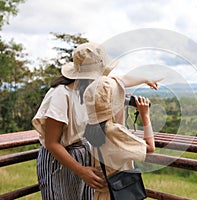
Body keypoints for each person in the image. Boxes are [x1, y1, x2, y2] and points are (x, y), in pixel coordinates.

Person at [32, 42, 117, 200]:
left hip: (82, 158)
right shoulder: (61, 95)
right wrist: (81, 171)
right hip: (61, 162)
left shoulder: (87, 92)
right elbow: (52, 143)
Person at [83, 73, 161, 199]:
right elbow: (150, 147)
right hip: (118, 194)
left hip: (102, 194)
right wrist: (145, 115)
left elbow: (119, 132)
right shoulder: (113, 131)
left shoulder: (94, 128)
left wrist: (119, 107)